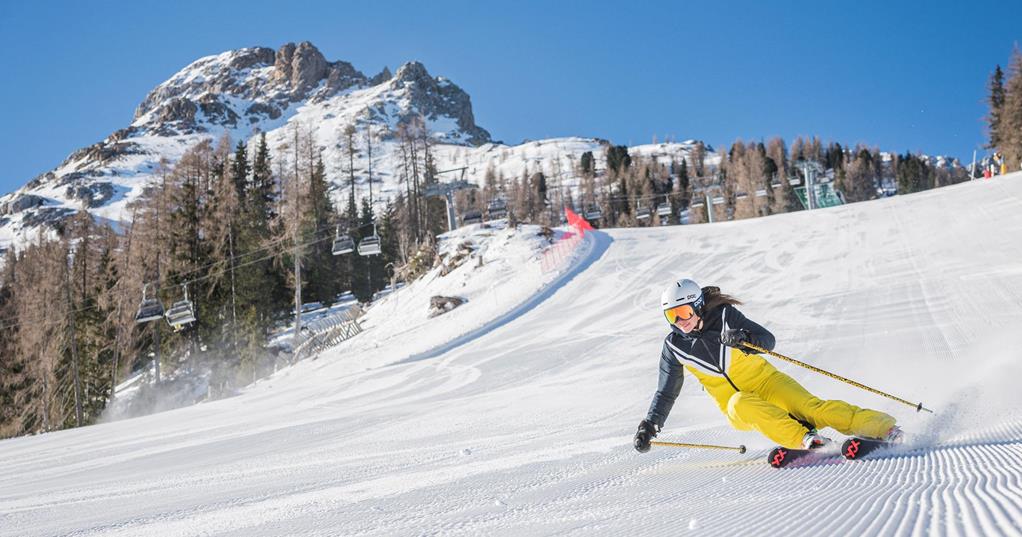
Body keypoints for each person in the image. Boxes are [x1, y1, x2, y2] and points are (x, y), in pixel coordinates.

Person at [633, 278, 903, 453]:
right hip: (736, 404)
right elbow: (666, 392)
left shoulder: (725, 316)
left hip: (767, 381)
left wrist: (745, 339)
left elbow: (768, 340)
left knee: (813, 408)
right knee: (739, 402)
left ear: (699, 306)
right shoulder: (674, 347)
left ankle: (884, 428)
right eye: (672, 316)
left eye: (684, 313)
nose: (681, 322)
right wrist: (650, 425)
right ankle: (805, 439)